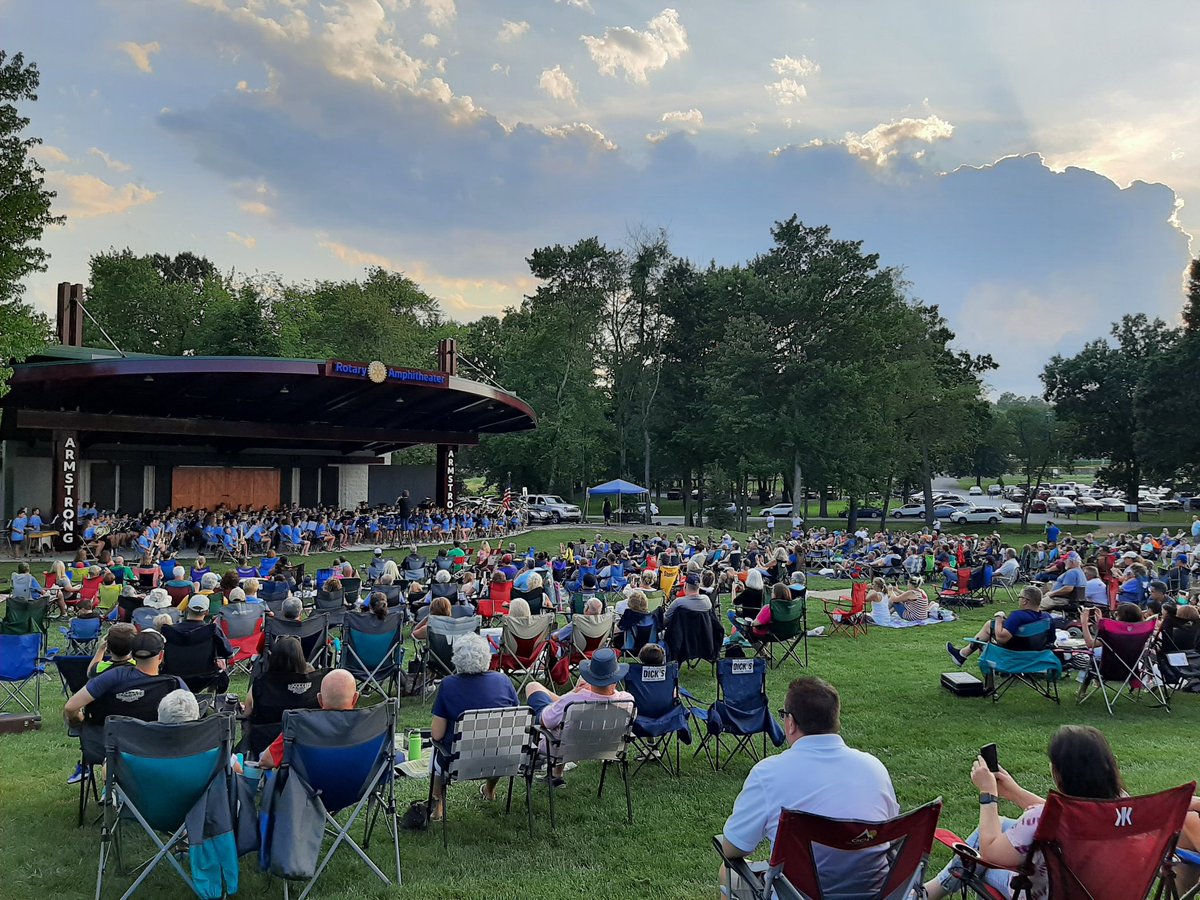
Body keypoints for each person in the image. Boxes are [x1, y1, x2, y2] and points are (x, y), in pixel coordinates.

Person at [923, 724, 1200, 899]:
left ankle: (926, 894)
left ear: (1059, 773)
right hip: (1107, 890)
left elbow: (992, 852)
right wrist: (1014, 792)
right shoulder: (1123, 807)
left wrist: (989, 794)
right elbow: (1063, 815)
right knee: (1007, 823)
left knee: (975, 851)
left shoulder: (1038, 820)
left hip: (1049, 892)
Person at [720, 677, 898, 897]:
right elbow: (889, 834)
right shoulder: (874, 768)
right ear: (836, 719)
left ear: (791, 722)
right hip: (872, 892)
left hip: (801, 894)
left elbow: (732, 849)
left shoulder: (768, 774)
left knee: (727, 872)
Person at [428, 633, 520, 820]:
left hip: (459, 762)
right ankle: (489, 790)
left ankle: (437, 806)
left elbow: (436, 735)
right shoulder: (503, 681)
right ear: (487, 657)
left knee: (434, 753)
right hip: (504, 757)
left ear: (456, 659)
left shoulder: (448, 685)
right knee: (498, 739)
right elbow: (516, 719)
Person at [524, 647, 635, 787]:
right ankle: (557, 774)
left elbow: (545, 721)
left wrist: (575, 693)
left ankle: (556, 774)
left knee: (533, 687)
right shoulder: (627, 701)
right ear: (616, 678)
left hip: (562, 748)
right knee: (565, 719)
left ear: (591, 677)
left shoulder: (572, 701)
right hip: (606, 748)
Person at [63, 630, 187, 724]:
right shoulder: (173, 684)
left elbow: (70, 707)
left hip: (109, 746)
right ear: (161, 656)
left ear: (132, 654)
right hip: (155, 749)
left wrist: (79, 721)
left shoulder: (111, 677)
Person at [258, 669, 360, 770]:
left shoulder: (300, 724)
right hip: (359, 786)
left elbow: (266, 761)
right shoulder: (367, 726)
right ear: (355, 698)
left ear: (320, 700)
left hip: (305, 786)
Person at [947, 586, 1051, 666]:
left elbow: (1001, 638)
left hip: (1014, 655)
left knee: (988, 628)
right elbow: (1051, 640)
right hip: (1037, 656)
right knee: (990, 626)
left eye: (1020, 597)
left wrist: (998, 619)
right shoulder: (1047, 618)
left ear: (1025, 601)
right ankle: (962, 654)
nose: (1019, 600)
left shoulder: (1018, 616)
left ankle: (963, 655)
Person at [167, 595, 235, 691]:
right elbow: (228, 652)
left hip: (173, 677)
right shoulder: (212, 630)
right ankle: (211, 700)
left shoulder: (170, 631)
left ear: (187, 609)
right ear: (207, 612)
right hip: (205, 678)